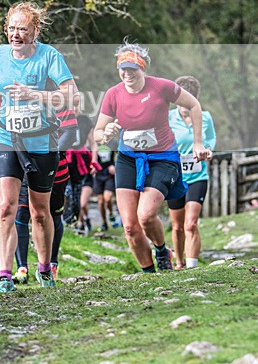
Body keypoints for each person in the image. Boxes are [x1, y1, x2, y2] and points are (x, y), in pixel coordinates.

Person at [0, 1, 78, 293]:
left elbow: (71, 95)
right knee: (6, 206)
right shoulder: (0, 53)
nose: (16, 34)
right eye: (11, 28)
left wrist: (34, 95)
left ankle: (45, 268)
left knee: (39, 211)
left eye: (23, 29)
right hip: (8, 138)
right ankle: (5, 275)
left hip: (42, 141)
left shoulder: (50, 56)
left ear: (35, 29)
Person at [93, 42, 210, 273]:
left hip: (163, 157)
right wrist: (105, 134)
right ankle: (149, 274)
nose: (127, 74)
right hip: (128, 158)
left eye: (132, 69)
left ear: (142, 68)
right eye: (122, 68)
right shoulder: (113, 94)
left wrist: (198, 143)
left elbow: (194, 105)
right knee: (129, 226)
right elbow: (98, 133)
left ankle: (161, 250)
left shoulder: (162, 87)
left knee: (146, 215)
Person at [0, 107, 78, 286]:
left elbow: (71, 132)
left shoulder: (56, 95)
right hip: (18, 163)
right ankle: (19, 269)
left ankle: (49, 266)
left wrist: (54, 150)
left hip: (53, 166)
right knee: (17, 213)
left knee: (45, 215)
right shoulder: (8, 92)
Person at [168, 76, 216, 269]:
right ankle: (179, 263)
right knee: (178, 225)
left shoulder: (205, 117)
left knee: (191, 223)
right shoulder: (168, 117)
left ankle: (192, 266)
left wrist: (208, 149)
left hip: (198, 175)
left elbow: (211, 139)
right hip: (175, 176)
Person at [69, 109, 98, 233]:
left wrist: (94, 162)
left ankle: (80, 222)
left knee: (82, 201)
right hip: (66, 160)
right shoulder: (63, 117)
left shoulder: (85, 120)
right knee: (69, 195)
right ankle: (75, 222)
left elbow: (93, 143)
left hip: (83, 161)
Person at [91, 139, 119, 232]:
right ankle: (104, 222)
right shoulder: (94, 143)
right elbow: (91, 157)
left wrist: (114, 165)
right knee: (101, 201)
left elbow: (120, 156)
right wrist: (92, 166)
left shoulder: (113, 142)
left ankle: (111, 214)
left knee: (107, 198)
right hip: (98, 175)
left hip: (109, 174)